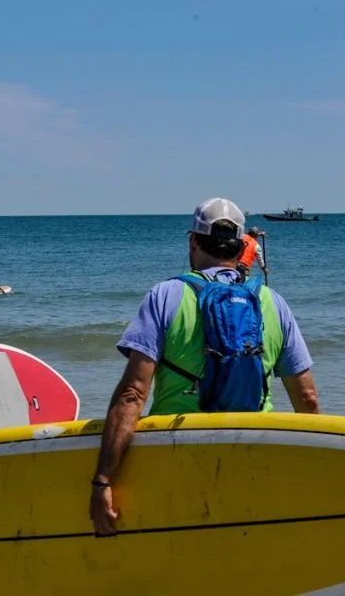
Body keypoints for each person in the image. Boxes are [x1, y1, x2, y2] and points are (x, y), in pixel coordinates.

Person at [89, 198, 320, 537]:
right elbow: (308, 398)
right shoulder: (272, 302)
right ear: (242, 246)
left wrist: (103, 480)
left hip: (177, 451)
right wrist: (313, 475)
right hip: (253, 450)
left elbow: (132, 394)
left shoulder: (165, 296)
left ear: (193, 241)